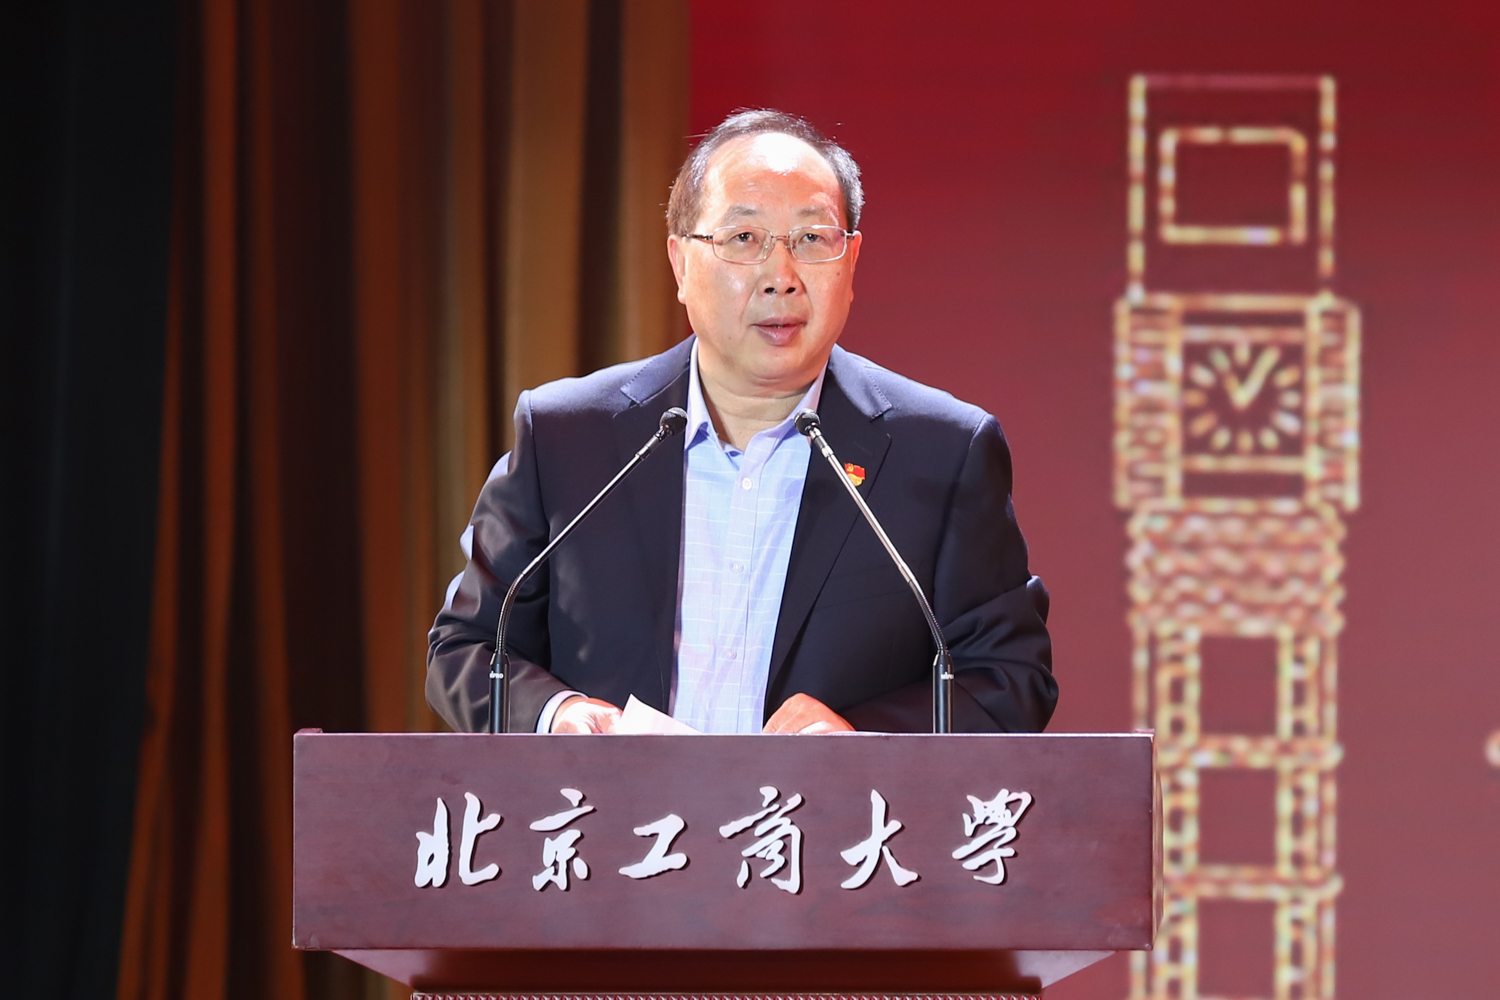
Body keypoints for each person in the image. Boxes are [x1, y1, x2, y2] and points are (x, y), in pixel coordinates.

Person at [427, 109, 1056, 735]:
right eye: (744, 238)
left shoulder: (942, 454)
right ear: (681, 264)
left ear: (851, 261)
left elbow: (1009, 678)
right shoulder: (569, 437)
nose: (781, 278)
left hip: (827, 805)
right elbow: (469, 646)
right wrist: (556, 714)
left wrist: (861, 741)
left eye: (812, 239)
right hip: (611, 803)